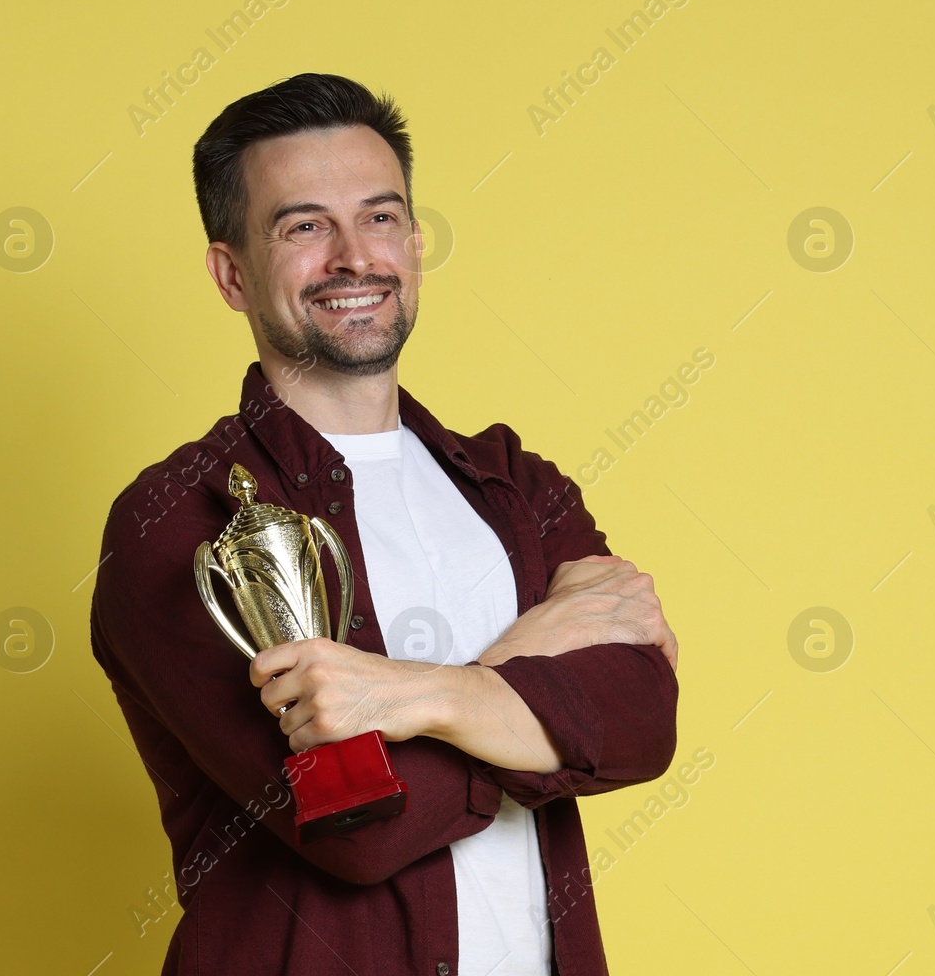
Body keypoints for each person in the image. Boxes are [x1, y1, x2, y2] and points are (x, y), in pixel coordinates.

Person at [89, 73, 681, 976]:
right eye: (304, 226)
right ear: (232, 272)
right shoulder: (182, 522)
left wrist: (413, 698)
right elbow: (351, 831)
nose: (354, 258)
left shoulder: (515, 484)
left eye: (380, 216)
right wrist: (521, 673)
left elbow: (643, 720)